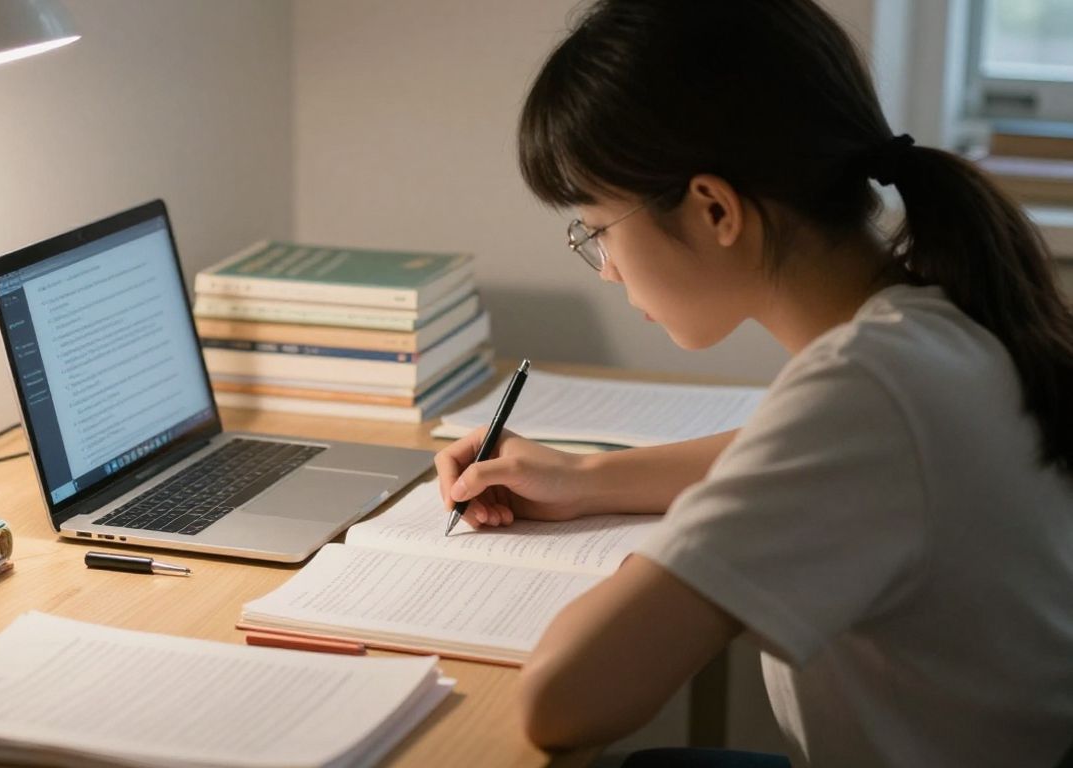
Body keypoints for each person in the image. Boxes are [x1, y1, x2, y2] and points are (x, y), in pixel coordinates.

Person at [433, 1, 1073, 766]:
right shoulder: (934, 324)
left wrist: (693, 552)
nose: (605, 268)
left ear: (713, 209)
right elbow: (804, 459)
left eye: (597, 230)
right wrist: (587, 477)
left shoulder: (866, 391)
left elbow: (560, 701)